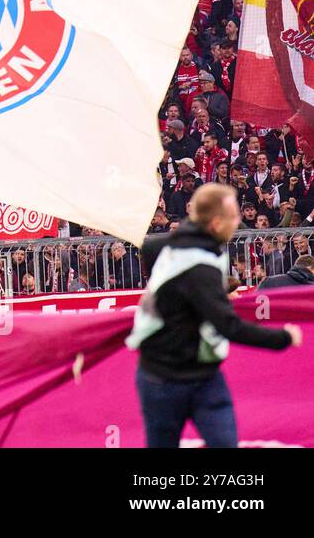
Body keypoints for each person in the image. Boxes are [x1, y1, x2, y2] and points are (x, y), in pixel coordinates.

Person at [127, 183, 303, 448]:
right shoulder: (200, 265)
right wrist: (283, 337)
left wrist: (206, 292)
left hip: (191, 373)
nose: (239, 222)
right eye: (233, 217)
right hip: (166, 377)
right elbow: (227, 325)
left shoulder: (177, 243)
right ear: (216, 223)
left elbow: (160, 261)